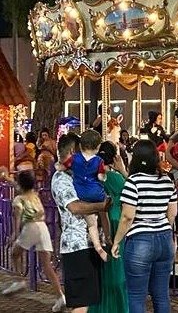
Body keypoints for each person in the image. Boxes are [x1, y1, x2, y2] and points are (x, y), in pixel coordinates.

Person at [111, 139, 178, 313]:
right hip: (165, 239)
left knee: (136, 295)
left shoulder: (133, 182)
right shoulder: (167, 181)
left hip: (140, 240)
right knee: (161, 294)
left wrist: (117, 241)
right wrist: (163, 229)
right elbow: (172, 213)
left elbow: (127, 216)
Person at [51, 132, 107, 313]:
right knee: (81, 304)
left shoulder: (78, 176)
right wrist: (101, 206)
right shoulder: (61, 178)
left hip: (87, 244)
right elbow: (74, 207)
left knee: (86, 302)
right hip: (76, 246)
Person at [2, 170, 66, 311]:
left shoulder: (18, 200)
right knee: (47, 266)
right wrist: (7, 178)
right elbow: (19, 186)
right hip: (42, 228)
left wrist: (15, 234)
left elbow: (17, 218)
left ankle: (19, 281)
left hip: (30, 227)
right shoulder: (35, 195)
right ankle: (60, 296)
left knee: (14, 254)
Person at [89, 142, 129, 313]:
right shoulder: (118, 178)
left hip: (98, 222)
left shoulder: (93, 177)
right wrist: (123, 170)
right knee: (117, 267)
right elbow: (132, 193)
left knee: (100, 268)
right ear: (114, 158)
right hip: (117, 221)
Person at [61, 129, 110, 261]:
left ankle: (98, 247)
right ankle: (108, 236)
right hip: (96, 193)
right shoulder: (99, 161)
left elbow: (63, 167)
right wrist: (105, 176)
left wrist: (58, 167)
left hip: (81, 193)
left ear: (80, 146)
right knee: (104, 212)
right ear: (98, 147)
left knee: (91, 223)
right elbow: (100, 177)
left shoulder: (75, 158)